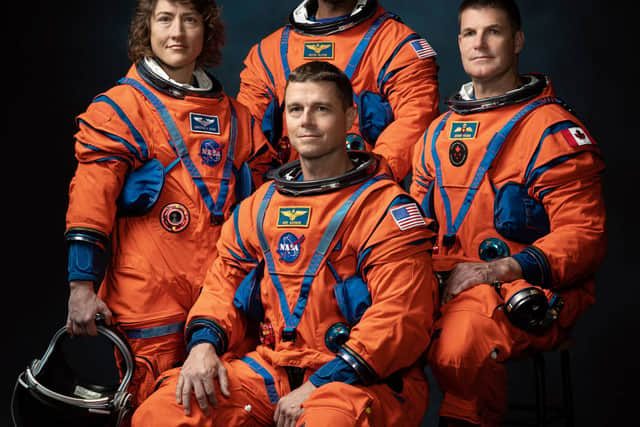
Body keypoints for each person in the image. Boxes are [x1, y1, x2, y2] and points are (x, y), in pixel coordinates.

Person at [132, 60, 437, 427]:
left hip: (359, 377)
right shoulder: (260, 208)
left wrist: (322, 384)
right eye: (295, 109)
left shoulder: (385, 209)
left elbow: (401, 316)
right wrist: (203, 345)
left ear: (350, 116)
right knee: (160, 413)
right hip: (271, 370)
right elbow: (222, 285)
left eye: (320, 109)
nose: (305, 120)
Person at [64, 0, 278, 408]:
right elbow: (90, 200)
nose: (177, 32)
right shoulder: (120, 109)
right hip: (149, 298)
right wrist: (81, 286)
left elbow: (262, 213)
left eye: (190, 19)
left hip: (224, 297)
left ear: (206, 31)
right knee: (152, 410)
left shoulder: (239, 119)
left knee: (222, 404)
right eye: (165, 19)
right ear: (147, 30)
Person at [410, 0, 607, 425]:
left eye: (493, 32)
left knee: (460, 348)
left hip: (517, 283)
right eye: (469, 33)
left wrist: (496, 270)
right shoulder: (437, 132)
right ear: (459, 41)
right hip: (443, 279)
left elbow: (583, 236)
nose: (479, 43)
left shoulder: (551, 131)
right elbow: (412, 225)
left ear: (517, 40)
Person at [237, 0, 440, 182]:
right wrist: (268, 193)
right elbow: (246, 134)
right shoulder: (269, 53)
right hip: (286, 198)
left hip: (364, 201)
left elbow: (415, 119)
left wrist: (368, 181)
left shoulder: (397, 46)